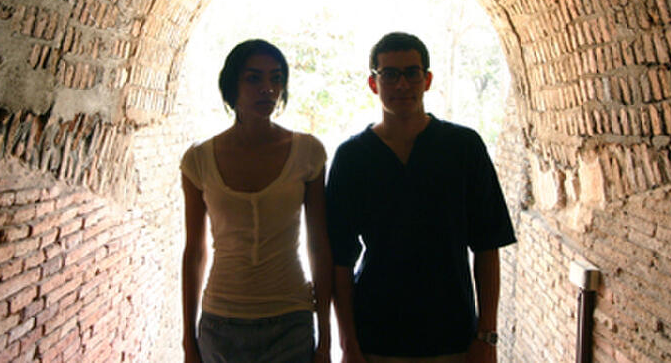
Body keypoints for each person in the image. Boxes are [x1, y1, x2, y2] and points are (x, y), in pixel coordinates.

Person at [326, 32, 516, 363]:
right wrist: (348, 343)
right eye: (390, 74)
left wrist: (487, 335)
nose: (402, 84)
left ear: (427, 80)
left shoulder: (464, 147)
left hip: (453, 334)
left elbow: (487, 245)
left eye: (411, 73)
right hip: (376, 336)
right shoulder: (353, 157)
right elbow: (339, 259)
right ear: (373, 83)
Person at [181, 39, 332, 363]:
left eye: (276, 78)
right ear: (231, 86)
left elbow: (319, 245)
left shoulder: (307, 152)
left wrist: (326, 340)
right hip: (221, 321)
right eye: (253, 78)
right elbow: (194, 252)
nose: (268, 88)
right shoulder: (199, 160)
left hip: (290, 317)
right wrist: (188, 342)